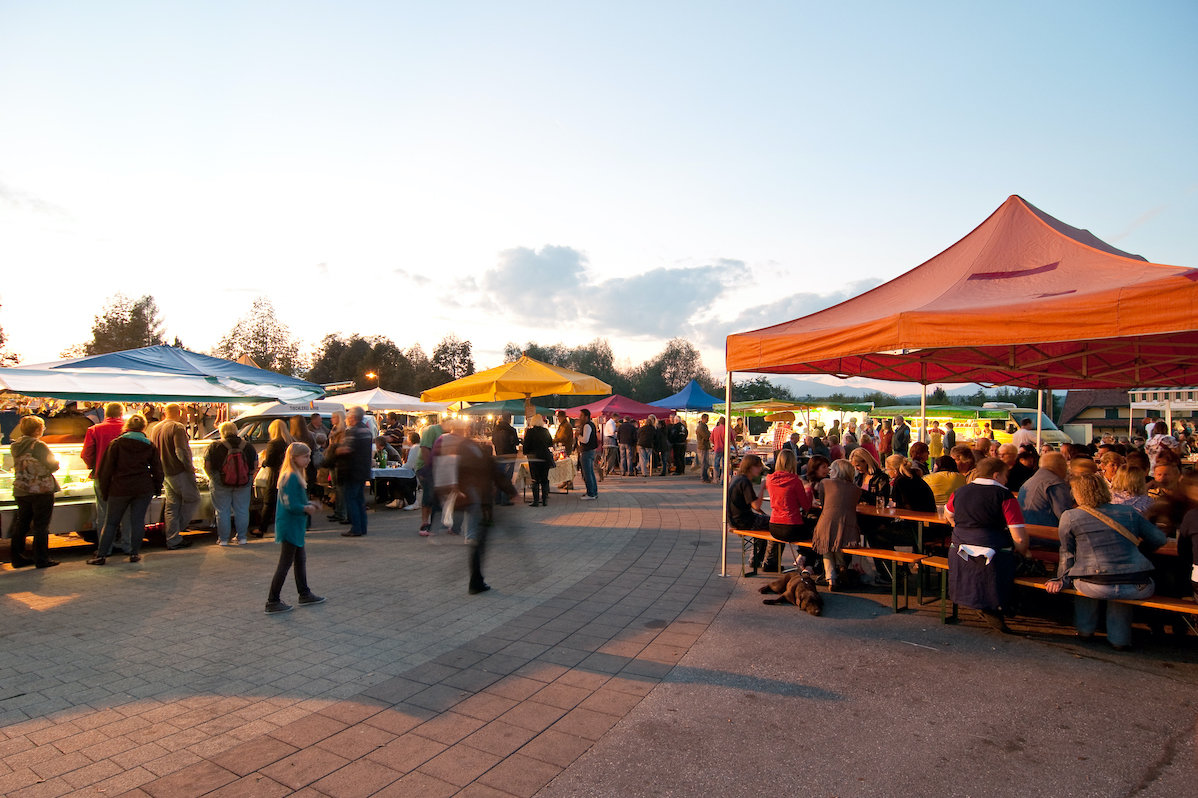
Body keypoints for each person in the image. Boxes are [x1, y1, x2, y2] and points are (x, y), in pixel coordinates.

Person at [1045, 472, 1167, 650]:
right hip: (1135, 584)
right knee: (1121, 587)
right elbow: (1159, 539)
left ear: (1077, 493)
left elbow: (1067, 553)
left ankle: (1086, 631)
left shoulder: (1071, 516)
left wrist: (1062, 578)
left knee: (1082, 579)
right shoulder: (1129, 512)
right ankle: (1119, 639)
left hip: (1094, 583)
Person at [944, 457, 1029, 632]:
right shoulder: (1005, 496)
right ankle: (997, 606)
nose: (1007, 480)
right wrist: (1023, 552)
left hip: (960, 548)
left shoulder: (960, 492)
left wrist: (962, 528)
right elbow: (1019, 537)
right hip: (993, 550)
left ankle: (982, 604)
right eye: (1005, 476)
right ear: (996, 475)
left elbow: (949, 515)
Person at [90, 414, 164, 565]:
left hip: (119, 488)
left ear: (127, 426)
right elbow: (157, 469)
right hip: (143, 488)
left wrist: (105, 490)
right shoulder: (149, 445)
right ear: (144, 427)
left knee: (111, 522)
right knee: (137, 521)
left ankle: (101, 555)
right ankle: (134, 553)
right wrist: (157, 488)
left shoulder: (116, 444)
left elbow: (106, 469)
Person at [264, 442, 326, 614]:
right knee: (285, 563)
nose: (308, 459)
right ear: (294, 458)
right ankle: (272, 600)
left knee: (299, 559)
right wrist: (306, 507)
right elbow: (290, 504)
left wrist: (309, 504)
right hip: (290, 525)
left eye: (308, 456)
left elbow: (293, 501)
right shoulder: (290, 476)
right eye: (305, 456)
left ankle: (304, 592)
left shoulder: (294, 475)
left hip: (294, 525)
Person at [9, 416, 60, 569]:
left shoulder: (15, 446)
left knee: (22, 523)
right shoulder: (39, 445)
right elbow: (53, 465)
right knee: (41, 525)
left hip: (21, 489)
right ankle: (41, 559)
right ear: (37, 430)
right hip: (40, 490)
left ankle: (17, 557)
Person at [81, 401, 132, 552]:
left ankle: (106, 547)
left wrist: (93, 465)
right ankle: (127, 545)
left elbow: (86, 454)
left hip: (102, 476)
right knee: (126, 513)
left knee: (104, 513)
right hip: (125, 477)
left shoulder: (94, 430)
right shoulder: (129, 430)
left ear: (106, 413)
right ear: (121, 413)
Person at [148, 403, 199, 550]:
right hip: (179, 471)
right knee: (193, 499)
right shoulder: (177, 428)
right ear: (179, 412)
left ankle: (172, 539)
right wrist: (189, 468)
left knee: (172, 505)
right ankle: (175, 531)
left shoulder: (155, 428)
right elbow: (181, 451)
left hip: (164, 473)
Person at [204, 420, 259, 546]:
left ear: (221, 431)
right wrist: (249, 476)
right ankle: (242, 537)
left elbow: (207, 465)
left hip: (220, 483)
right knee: (242, 510)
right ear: (236, 430)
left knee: (222, 511)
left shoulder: (214, 446)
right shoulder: (248, 446)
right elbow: (255, 465)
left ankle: (223, 539)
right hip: (243, 483)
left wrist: (212, 477)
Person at [812, 459, 862, 591]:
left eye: (832, 469)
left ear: (838, 471)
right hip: (849, 528)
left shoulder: (825, 483)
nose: (829, 471)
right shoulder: (856, 489)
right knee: (837, 544)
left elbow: (823, 503)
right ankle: (841, 566)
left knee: (826, 548)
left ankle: (831, 578)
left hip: (826, 523)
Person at [727, 454, 775, 575]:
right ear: (751, 467)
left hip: (734, 519)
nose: (760, 470)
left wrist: (762, 514)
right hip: (744, 520)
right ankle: (770, 561)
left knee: (765, 523)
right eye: (758, 467)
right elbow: (756, 506)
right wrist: (763, 488)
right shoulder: (745, 482)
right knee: (777, 526)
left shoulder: (737, 478)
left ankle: (756, 559)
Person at [766, 450, 813, 568]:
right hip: (792, 526)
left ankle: (772, 562)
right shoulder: (795, 481)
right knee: (814, 529)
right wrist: (809, 490)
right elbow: (806, 506)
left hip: (774, 526)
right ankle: (808, 561)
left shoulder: (770, 479)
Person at [335, 407, 373, 536]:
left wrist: (336, 449)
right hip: (363, 470)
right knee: (360, 500)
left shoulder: (353, 432)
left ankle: (356, 528)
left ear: (353, 418)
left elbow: (346, 450)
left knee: (351, 499)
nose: (346, 419)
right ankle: (362, 527)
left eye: (348, 417)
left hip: (352, 470)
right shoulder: (367, 430)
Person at [255, 419, 293, 538]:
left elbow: (270, 461)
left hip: (275, 475)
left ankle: (262, 528)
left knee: (269, 502)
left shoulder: (274, 443)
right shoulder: (290, 442)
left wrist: (263, 462)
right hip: (289, 474)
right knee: (285, 502)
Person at [1018, 451, 1074, 526]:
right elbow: (1066, 516)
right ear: (1060, 466)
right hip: (1047, 532)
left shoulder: (1030, 481)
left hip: (1027, 529)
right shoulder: (1055, 483)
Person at [417, 414, 443, 535]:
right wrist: (428, 469)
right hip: (426, 467)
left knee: (436, 495)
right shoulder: (432, 430)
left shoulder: (452, 434)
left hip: (439, 468)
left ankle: (433, 523)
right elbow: (424, 448)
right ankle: (425, 523)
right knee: (429, 494)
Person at [523, 414, 554, 506]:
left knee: (535, 479)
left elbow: (526, 445)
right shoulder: (545, 431)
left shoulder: (530, 432)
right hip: (545, 457)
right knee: (544, 479)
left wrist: (526, 453)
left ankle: (536, 501)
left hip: (534, 458)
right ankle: (544, 500)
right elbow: (550, 443)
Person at [491, 412, 519, 506]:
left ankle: (497, 498)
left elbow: (493, 441)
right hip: (510, 456)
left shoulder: (495, 430)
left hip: (499, 455)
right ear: (509, 419)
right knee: (507, 478)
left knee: (499, 477)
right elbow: (515, 442)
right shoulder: (511, 430)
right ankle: (505, 499)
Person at [575, 408, 600, 500]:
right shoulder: (591, 425)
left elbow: (585, 440)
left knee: (587, 473)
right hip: (590, 451)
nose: (579, 417)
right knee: (590, 473)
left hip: (587, 451)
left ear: (586, 417)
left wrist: (578, 436)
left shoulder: (587, 426)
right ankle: (593, 492)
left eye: (581, 415)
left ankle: (591, 493)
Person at [695, 414, 712, 482]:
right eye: (707, 418)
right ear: (703, 418)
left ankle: (705, 476)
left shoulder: (704, 426)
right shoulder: (701, 427)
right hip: (702, 446)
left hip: (704, 446)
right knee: (704, 462)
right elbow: (706, 436)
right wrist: (709, 434)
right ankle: (703, 477)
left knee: (706, 462)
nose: (708, 420)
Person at [711, 417, 726, 482]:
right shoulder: (727, 429)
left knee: (716, 463)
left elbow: (711, 439)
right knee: (724, 464)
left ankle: (715, 478)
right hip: (725, 449)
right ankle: (723, 478)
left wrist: (715, 443)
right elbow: (732, 439)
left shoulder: (715, 429)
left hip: (717, 448)